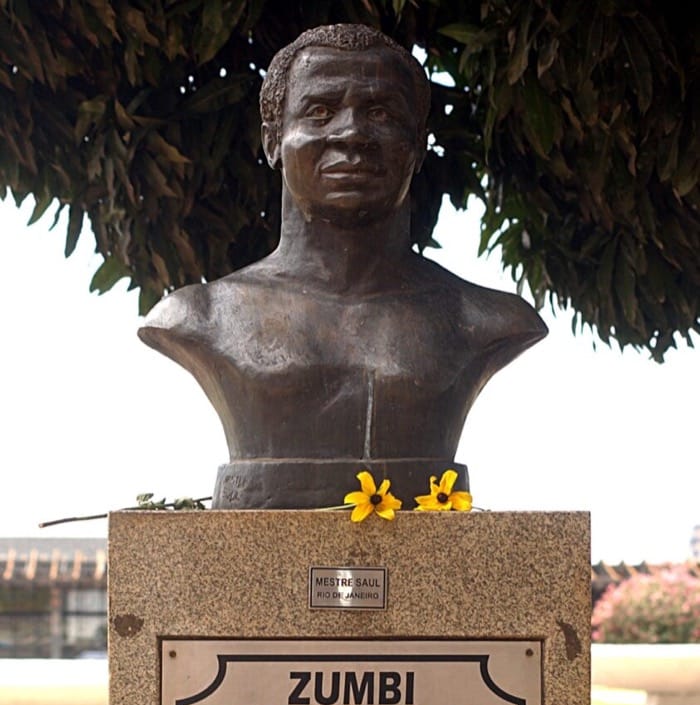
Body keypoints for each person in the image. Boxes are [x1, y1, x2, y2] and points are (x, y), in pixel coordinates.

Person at [139, 24, 547, 509]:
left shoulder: (484, 320)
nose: (352, 133)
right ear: (273, 139)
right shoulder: (199, 317)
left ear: (416, 145)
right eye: (320, 110)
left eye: (379, 112)